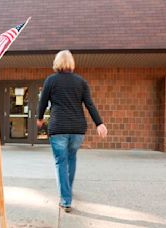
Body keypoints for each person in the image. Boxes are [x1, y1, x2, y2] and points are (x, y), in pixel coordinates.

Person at [37, 50, 107, 213]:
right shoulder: (80, 82)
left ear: (57, 62)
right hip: (77, 129)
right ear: (71, 63)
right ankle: (66, 191)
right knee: (71, 158)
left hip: (58, 127)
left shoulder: (51, 80)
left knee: (61, 162)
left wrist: (40, 118)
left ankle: (66, 199)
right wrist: (99, 123)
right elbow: (89, 104)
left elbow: (43, 102)